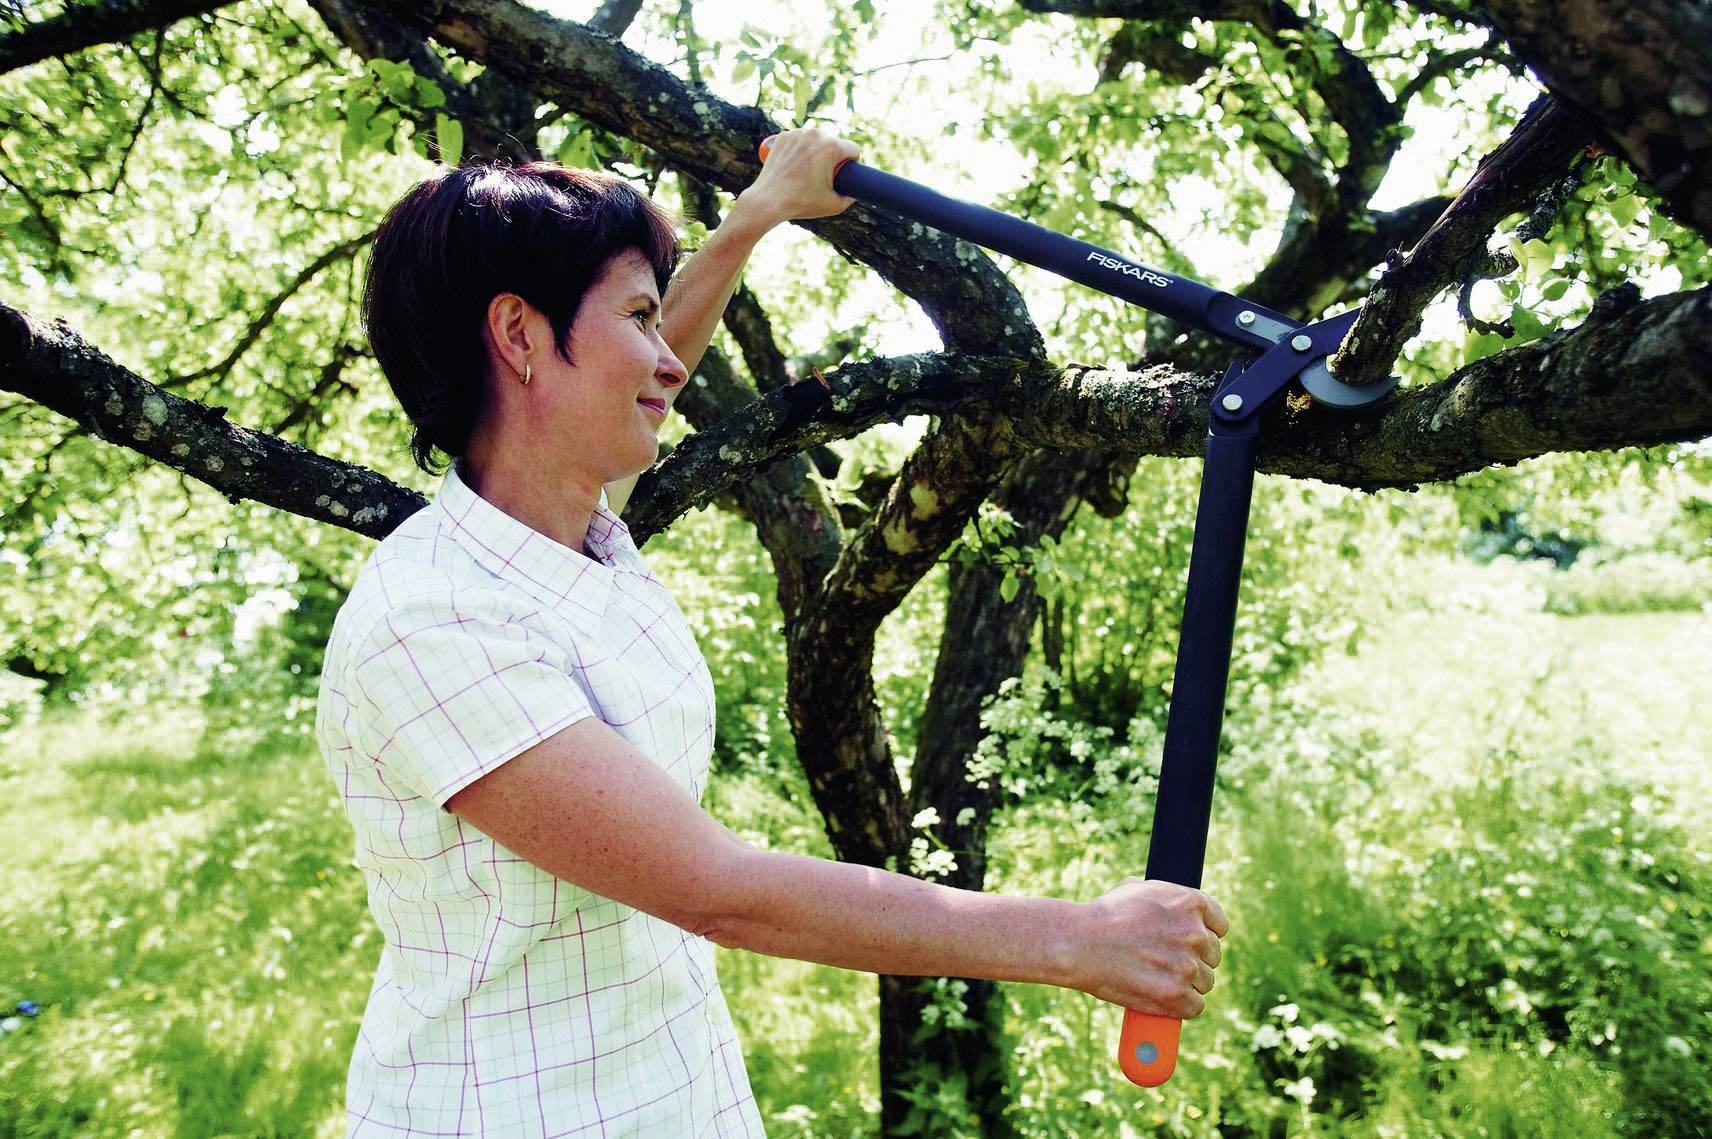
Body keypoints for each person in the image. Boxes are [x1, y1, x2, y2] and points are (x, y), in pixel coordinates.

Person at [315, 127, 1229, 1138]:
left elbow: (652, 367)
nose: (669, 362)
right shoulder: (433, 620)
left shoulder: (573, 528)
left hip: (670, 1096)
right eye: (633, 316)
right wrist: (1079, 939)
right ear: (520, 338)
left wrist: (758, 213)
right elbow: (720, 889)